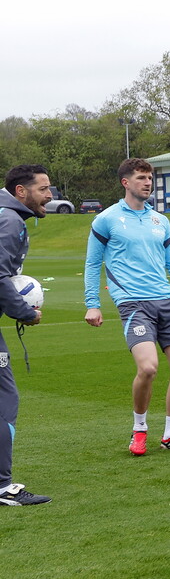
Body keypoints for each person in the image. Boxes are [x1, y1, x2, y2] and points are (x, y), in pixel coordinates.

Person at [84, 158, 170, 456]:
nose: (148, 182)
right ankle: (139, 429)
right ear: (125, 182)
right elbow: (92, 264)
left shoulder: (160, 220)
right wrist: (93, 304)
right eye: (141, 178)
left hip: (166, 301)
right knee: (148, 367)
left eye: (150, 177)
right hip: (133, 303)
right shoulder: (107, 219)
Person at [0, 165, 53, 505]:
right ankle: (2, 486)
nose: (50, 195)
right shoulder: (10, 221)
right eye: (43, 189)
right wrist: (25, 312)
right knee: (5, 400)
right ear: (21, 191)